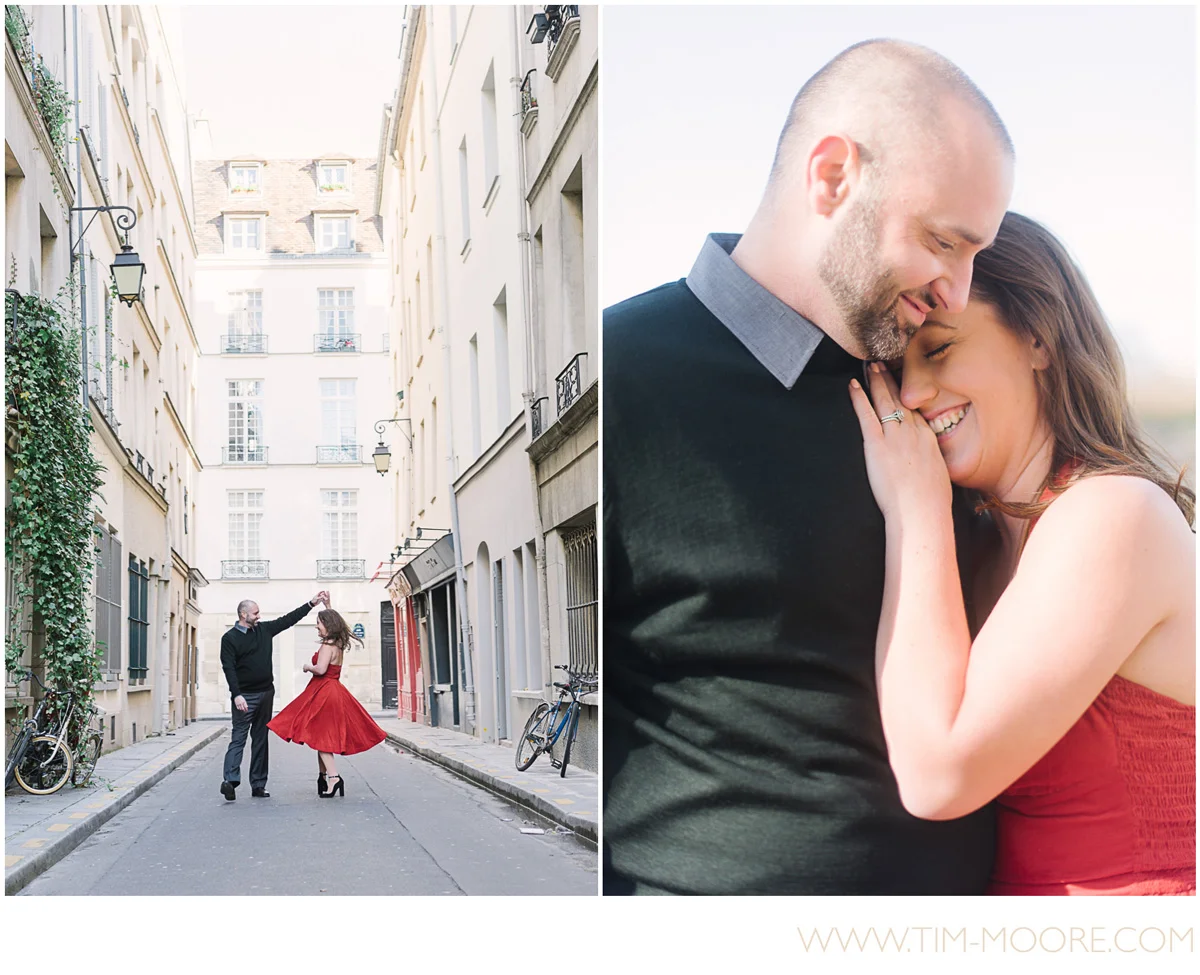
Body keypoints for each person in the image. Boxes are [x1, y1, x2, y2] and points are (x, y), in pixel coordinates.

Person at [603, 39, 1013, 894]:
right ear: (832, 178)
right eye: (943, 240)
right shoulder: (624, 375)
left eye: (976, 255)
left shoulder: (947, 395)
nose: (958, 290)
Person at [848, 212, 1195, 895]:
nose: (911, 395)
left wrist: (915, 508)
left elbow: (938, 777)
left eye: (939, 349)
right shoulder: (984, 542)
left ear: (1037, 337)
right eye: (896, 371)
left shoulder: (1113, 514)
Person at [268, 605, 387, 797]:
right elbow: (335, 621)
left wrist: (308, 667)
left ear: (327, 624)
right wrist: (328, 605)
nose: (316, 626)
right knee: (319, 735)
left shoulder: (327, 646)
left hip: (324, 693)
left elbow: (321, 669)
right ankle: (323, 777)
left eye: (319, 623)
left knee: (321, 739)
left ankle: (333, 778)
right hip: (333, 691)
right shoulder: (338, 643)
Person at [219, 591, 328, 800]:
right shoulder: (230, 638)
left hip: (266, 693)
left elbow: (288, 620)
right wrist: (236, 695)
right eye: (255, 613)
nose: (259, 616)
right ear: (243, 615)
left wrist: (311, 603)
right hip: (244, 697)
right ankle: (230, 781)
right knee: (239, 738)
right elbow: (229, 668)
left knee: (261, 739)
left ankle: (258, 785)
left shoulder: (264, 630)